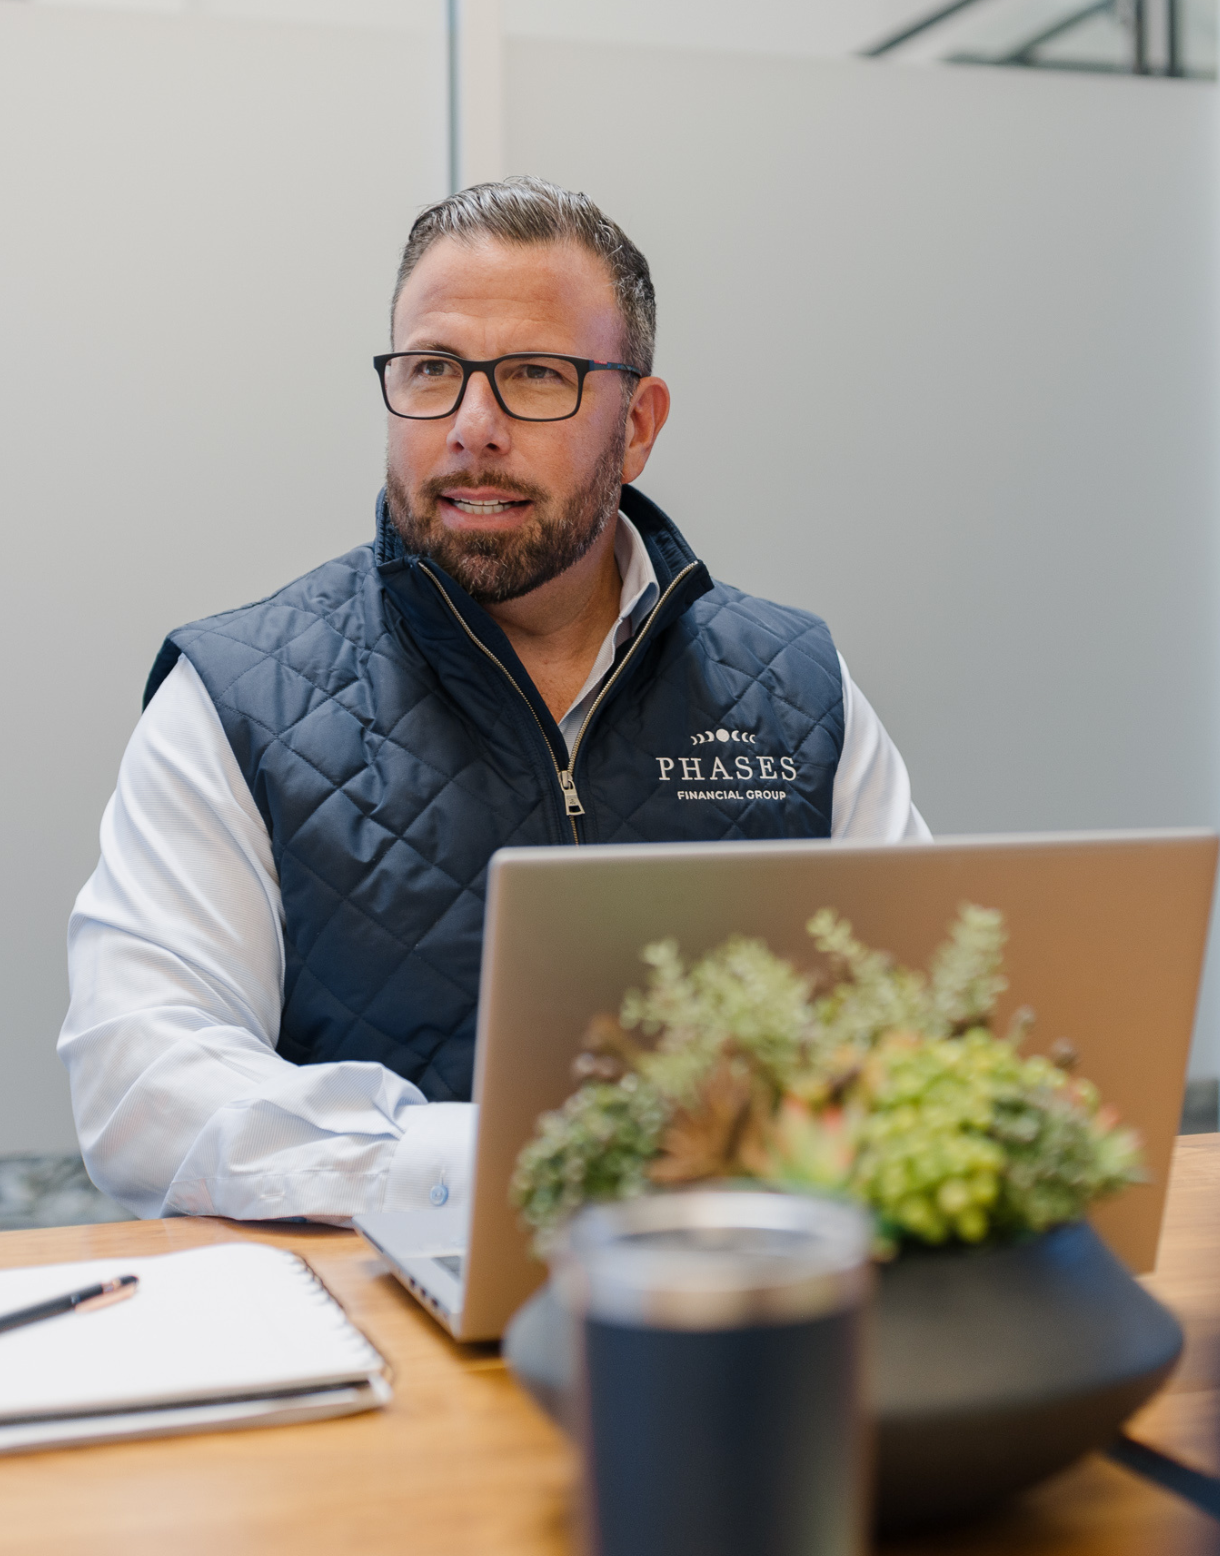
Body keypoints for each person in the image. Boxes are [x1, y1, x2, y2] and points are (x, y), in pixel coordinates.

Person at [59, 177, 928, 1223]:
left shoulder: (794, 685)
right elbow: (144, 1083)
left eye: (533, 375)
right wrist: (478, 1164)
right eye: (431, 371)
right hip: (387, 1339)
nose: (472, 426)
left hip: (744, 1307)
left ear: (638, 423)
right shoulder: (233, 700)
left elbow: (924, 1019)